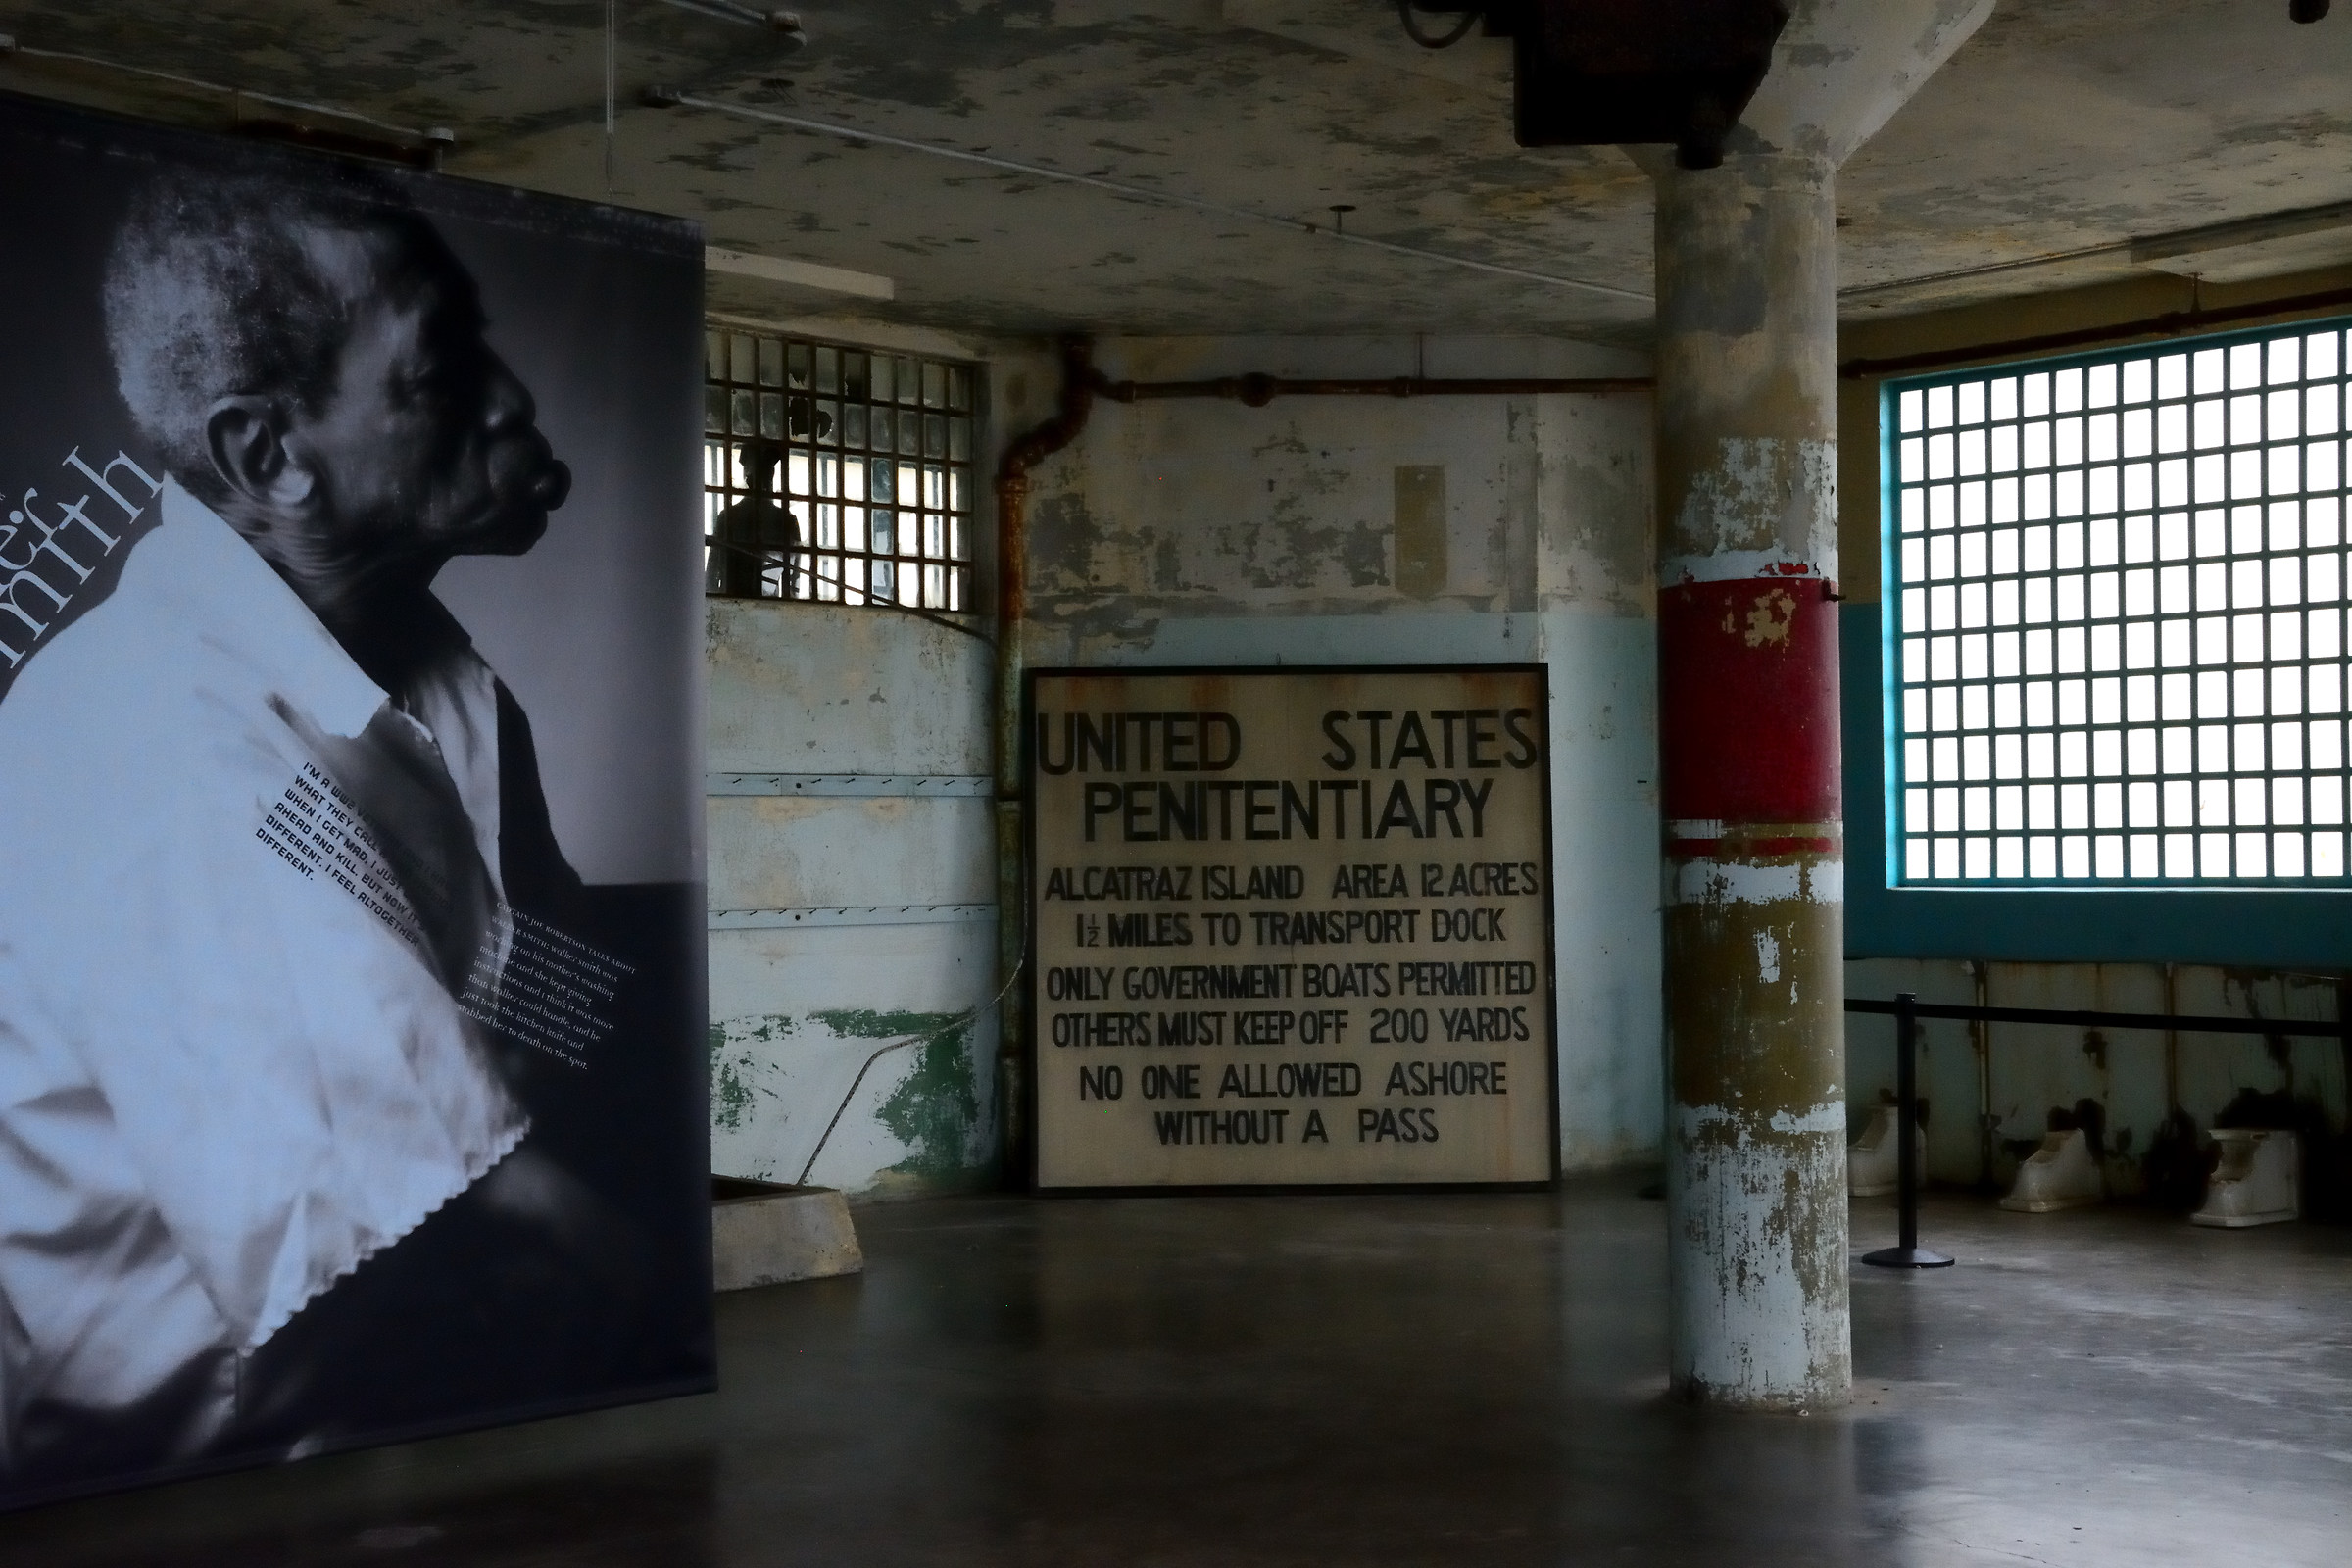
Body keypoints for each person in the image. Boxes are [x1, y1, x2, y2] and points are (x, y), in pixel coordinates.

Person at [0, 171, 632, 1489]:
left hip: (423, 1439)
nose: (513, 401)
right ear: (269, 457)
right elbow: (452, 1231)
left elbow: (556, 1001)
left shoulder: (441, 684)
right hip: (211, 1497)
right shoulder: (150, 735)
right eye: (442, 370)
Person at [706, 435, 802, 598]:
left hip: (731, 604)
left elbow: (712, 576)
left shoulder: (728, 517)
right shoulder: (788, 521)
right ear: (772, 474)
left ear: (746, 473)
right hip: (772, 607)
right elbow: (793, 583)